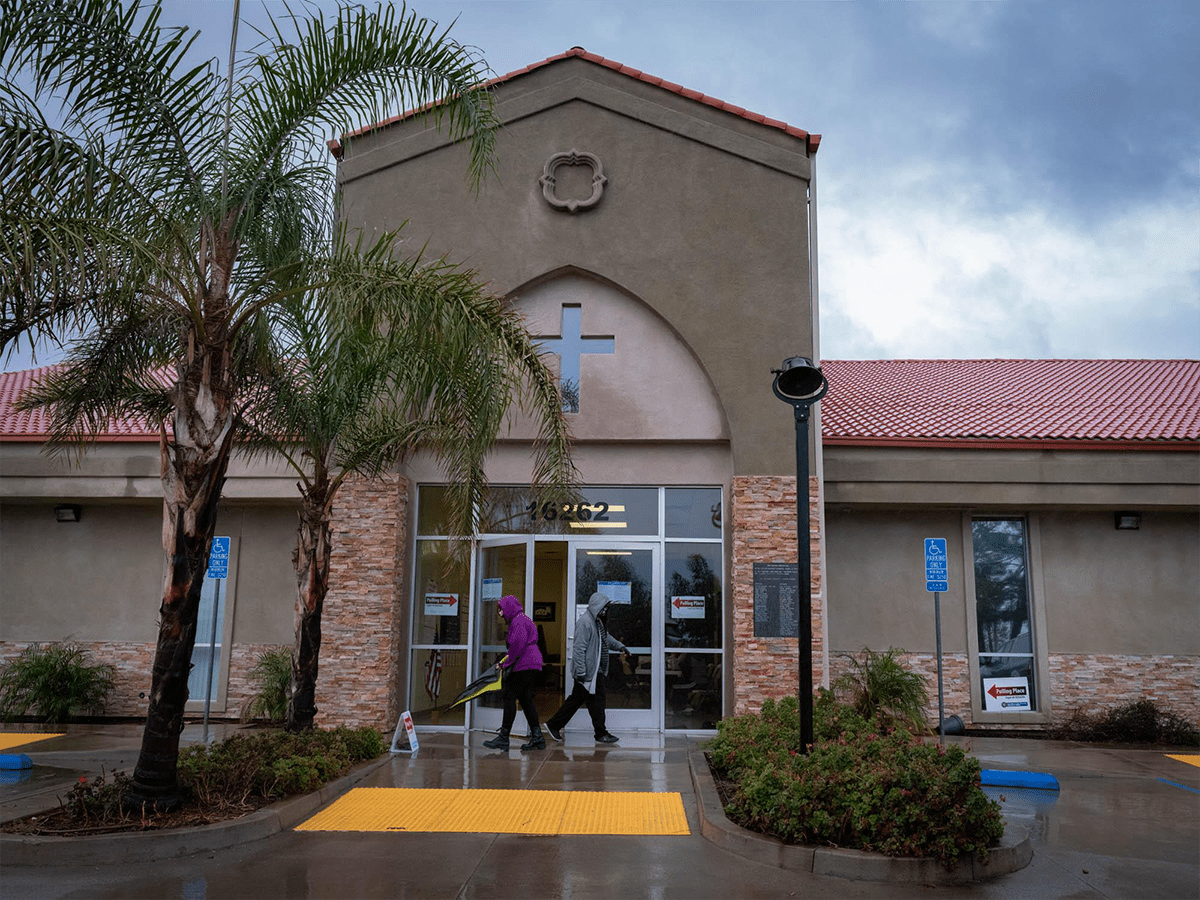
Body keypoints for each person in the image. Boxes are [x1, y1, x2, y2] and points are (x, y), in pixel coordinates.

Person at [544, 591, 628, 744]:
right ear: (598, 607)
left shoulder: (597, 622)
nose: (606, 611)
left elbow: (606, 638)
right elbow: (578, 649)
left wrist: (620, 647)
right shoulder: (585, 622)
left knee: (596, 703)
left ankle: (600, 733)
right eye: (605, 608)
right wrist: (581, 672)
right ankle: (553, 725)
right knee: (577, 701)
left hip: (595, 672)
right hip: (588, 674)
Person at [483, 595, 545, 751]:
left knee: (509, 696)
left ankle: (504, 737)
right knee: (525, 699)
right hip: (531, 663)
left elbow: (517, 645)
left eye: (501, 610)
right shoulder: (522, 619)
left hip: (525, 663)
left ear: (509, 608)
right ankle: (537, 737)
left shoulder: (517, 621)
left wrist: (505, 664)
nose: (500, 614)